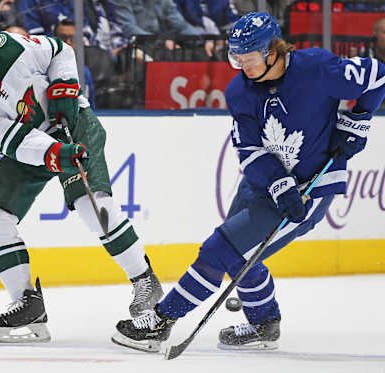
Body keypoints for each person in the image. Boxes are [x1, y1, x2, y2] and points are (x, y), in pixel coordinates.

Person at [111, 12, 385, 352]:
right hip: (263, 184)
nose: (243, 65)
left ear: (273, 51)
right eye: (236, 58)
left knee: (220, 250)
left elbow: (377, 76)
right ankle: (264, 323)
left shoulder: (318, 68)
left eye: (250, 57)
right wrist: (276, 182)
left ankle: (162, 321)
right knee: (236, 254)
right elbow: (250, 149)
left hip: (310, 187)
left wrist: (358, 120)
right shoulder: (239, 91)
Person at [0, 26, 163, 343]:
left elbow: (60, 50)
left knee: (90, 205)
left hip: (73, 122)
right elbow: (16, 142)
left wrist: (64, 88)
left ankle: (144, 279)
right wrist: (54, 152)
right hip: (30, 146)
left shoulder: (9, 46)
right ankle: (28, 303)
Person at [54, 19, 95, 109]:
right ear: (54, 39)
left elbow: (91, 107)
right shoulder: (43, 71)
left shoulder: (84, 72)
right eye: (63, 37)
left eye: (73, 38)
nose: (68, 42)